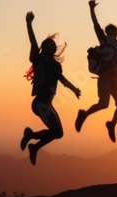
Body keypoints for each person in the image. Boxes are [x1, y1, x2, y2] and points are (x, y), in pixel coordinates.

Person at [20, 11, 81, 165]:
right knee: (57, 132)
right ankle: (31, 138)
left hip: (47, 104)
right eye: (48, 45)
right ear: (44, 48)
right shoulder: (38, 59)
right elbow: (33, 43)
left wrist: (74, 89)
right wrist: (29, 24)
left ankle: (33, 143)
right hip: (40, 103)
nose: (51, 47)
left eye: (53, 45)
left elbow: (63, 80)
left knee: (58, 133)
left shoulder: (56, 65)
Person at [75, 0, 117, 142]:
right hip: (105, 77)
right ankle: (84, 114)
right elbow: (96, 25)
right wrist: (91, 8)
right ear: (107, 33)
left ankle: (112, 124)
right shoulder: (104, 41)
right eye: (110, 32)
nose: (112, 35)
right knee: (103, 104)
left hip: (116, 78)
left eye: (114, 32)